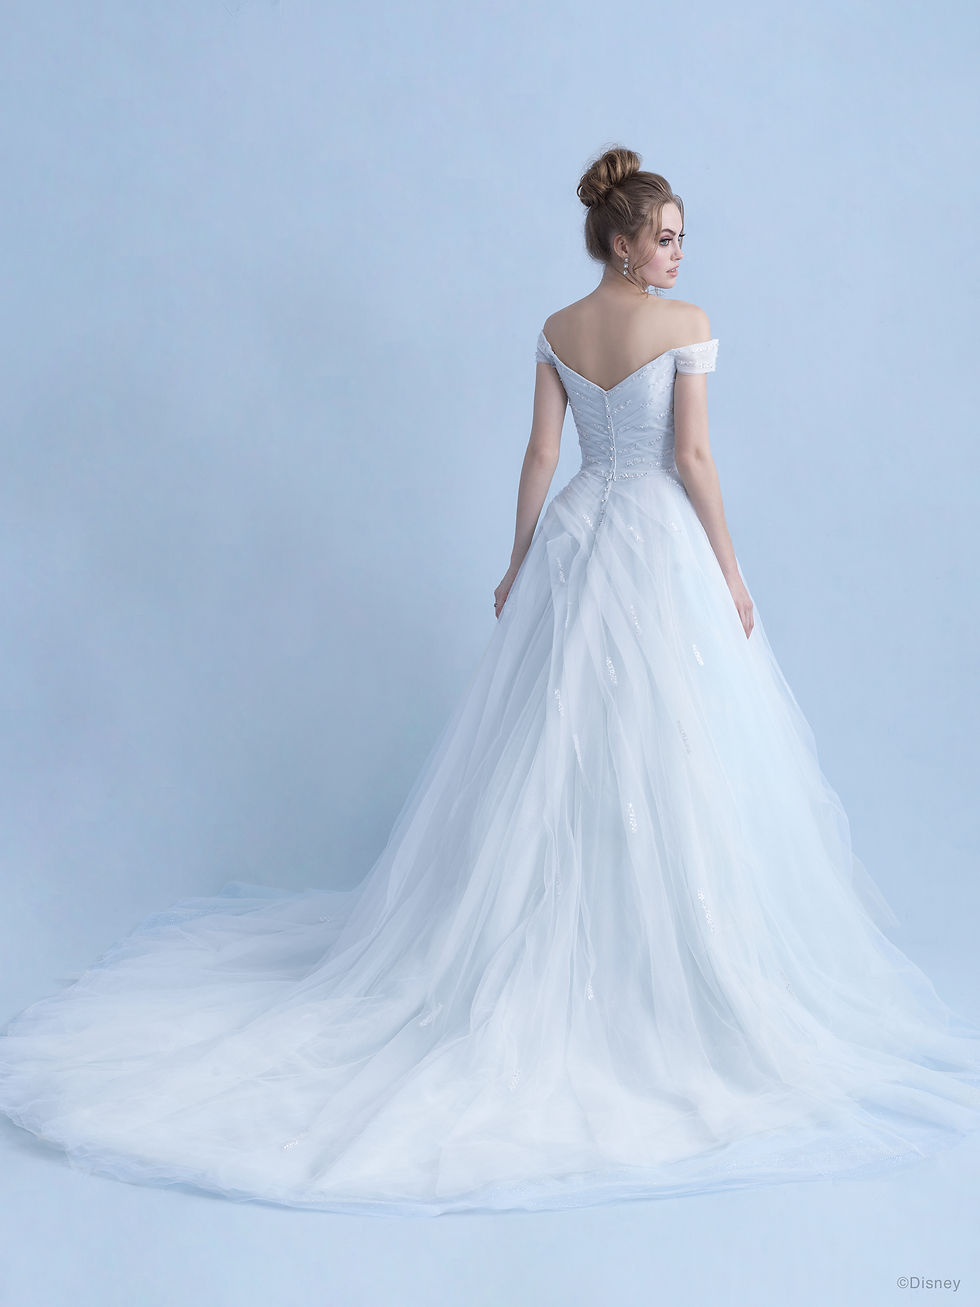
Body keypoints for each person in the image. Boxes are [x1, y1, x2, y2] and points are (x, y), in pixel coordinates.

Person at [1, 145, 979, 1219]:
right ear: (622, 242)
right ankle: (657, 968)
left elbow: (539, 457)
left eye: (679, 239)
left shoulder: (559, 327)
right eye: (663, 238)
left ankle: (583, 946)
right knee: (669, 746)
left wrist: (519, 560)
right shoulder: (684, 324)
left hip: (579, 540)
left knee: (558, 749)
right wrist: (732, 574)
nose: (677, 253)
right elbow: (693, 461)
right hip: (655, 544)